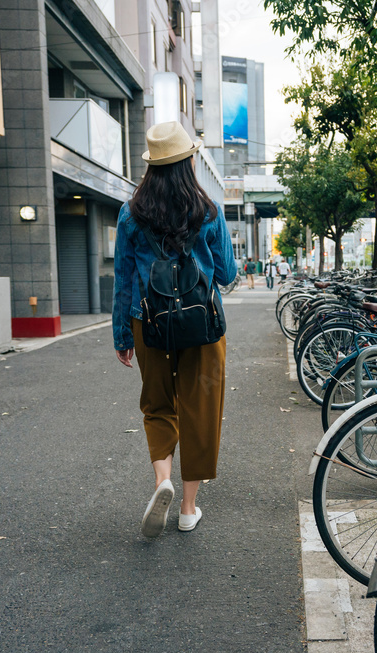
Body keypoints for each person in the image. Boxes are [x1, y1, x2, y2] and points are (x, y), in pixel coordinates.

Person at [112, 121, 237, 538]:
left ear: (151, 166)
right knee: (200, 410)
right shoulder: (209, 211)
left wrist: (122, 336)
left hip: (148, 321)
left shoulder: (130, 213)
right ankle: (187, 508)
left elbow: (124, 279)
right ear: (188, 162)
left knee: (158, 404)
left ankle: (161, 480)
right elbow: (225, 273)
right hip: (202, 324)